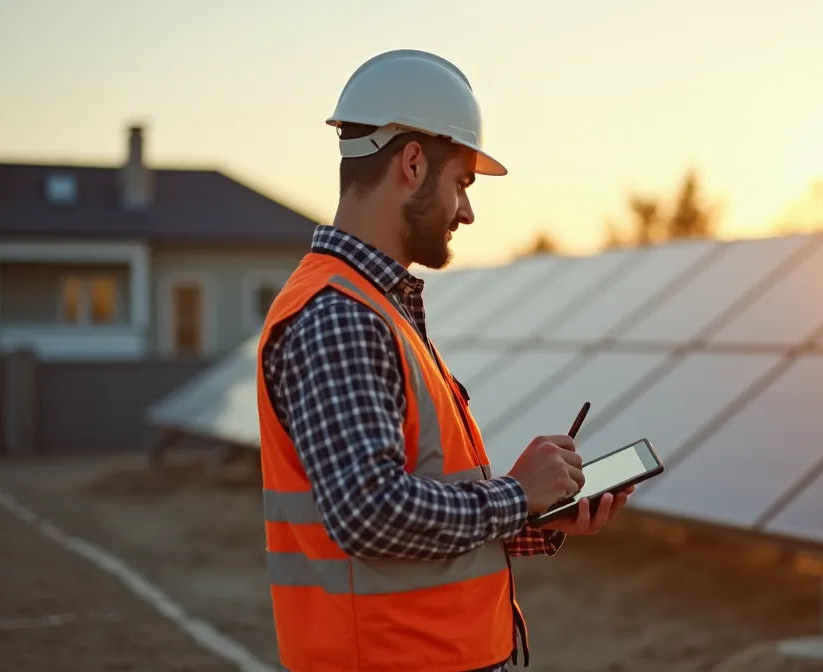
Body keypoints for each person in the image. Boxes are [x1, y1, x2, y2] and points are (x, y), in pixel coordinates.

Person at [255, 49, 632, 672]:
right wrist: (517, 494)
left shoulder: (374, 306)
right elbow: (370, 514)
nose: (467, 211)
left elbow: (413, 519)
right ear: (412, 163)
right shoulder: (341, 314)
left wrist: (540, 514)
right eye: (461, 183)